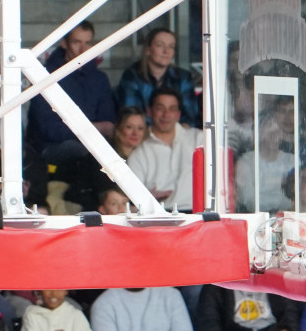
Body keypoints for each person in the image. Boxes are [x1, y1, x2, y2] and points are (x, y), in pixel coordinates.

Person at [25, 21, 116, 163]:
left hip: (91, 145)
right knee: (82, 151)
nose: (83, 49)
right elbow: (47, 129)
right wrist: (92, 128)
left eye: (87, 43)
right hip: (49, 148)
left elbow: (108, 121)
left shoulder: (99, 79)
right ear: (64, 43)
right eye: (76, 42)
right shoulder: (44, 77)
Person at [126, 87, 203, 212]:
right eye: (160, 108)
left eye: (172, 109)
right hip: (158, 217)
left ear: (178, 115)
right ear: (149, 111)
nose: (166, 115)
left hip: (198, 215)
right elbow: (134, 199)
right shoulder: (139, 151)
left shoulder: (199, 139)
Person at [115, 28, 200, 128]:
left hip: (177, 135)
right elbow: (131, 115)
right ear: (148, 50)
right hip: (143, 136)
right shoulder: (132, 75)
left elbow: (190, 116)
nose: (166, 51)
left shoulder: (183, 77)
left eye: (171, 47)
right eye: (160, 45)